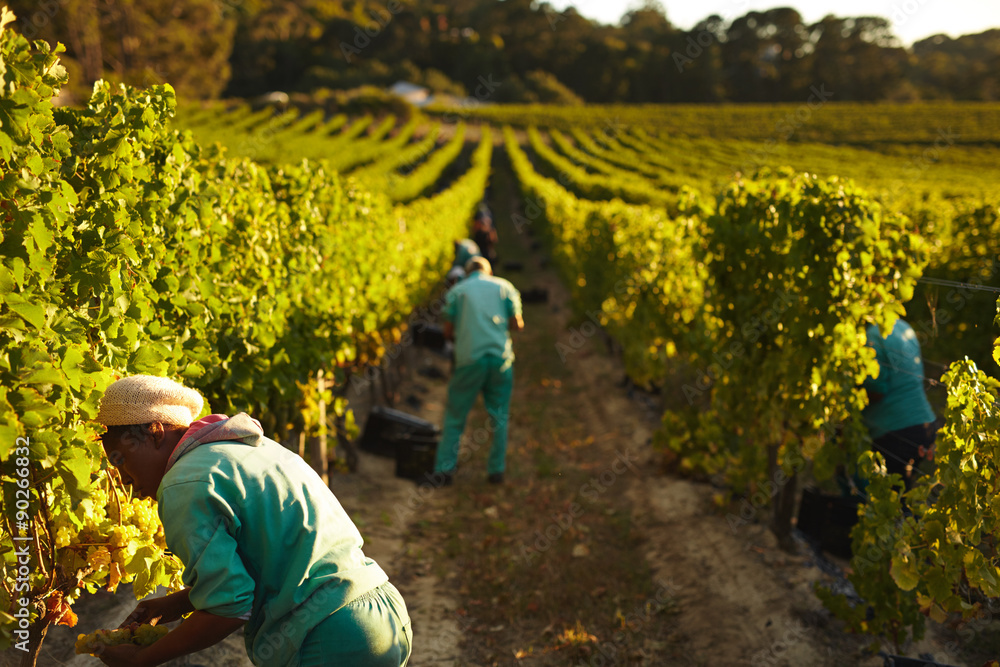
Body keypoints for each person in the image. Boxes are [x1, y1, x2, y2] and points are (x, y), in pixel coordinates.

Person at [94, 375, 411, 667]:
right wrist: (177, 604)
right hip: (380, 613)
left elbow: (230, 609)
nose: (126, 481)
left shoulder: (181, 485)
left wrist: (142, 659)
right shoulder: (244, 449)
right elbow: (275, 563)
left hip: (327, 636)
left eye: (121, 460)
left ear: (155, 432)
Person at [434, 257, 523, 486]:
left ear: (467, 272)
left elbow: (447, 331)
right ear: (489, 271)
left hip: (469, 360)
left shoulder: (458, 291)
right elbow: (518, 324)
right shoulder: (505, 287)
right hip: (500, 360)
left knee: (455, 415)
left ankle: (445, 471)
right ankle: (496, 471)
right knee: (499, 416)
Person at [862, 317, 939, 491]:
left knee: (888, 497)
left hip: (896, 431)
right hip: (923, 425)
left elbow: (876, 390)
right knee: (901, 493)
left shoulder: (872, 335)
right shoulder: (904, 327)